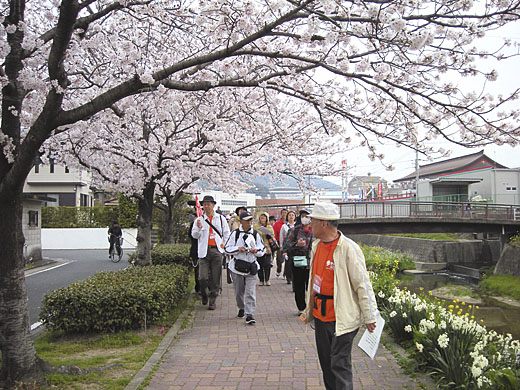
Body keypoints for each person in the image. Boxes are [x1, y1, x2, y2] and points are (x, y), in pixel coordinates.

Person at [301, 203, 378, 390]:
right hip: (321, 316)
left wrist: (370, 316)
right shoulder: (317, 245)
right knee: (327, 364)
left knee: (340, 364)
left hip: (342, 317)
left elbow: (363, 284)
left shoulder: (348, 248)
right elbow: (314, 281)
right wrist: (308, 309)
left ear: (324, 224)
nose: (310, 224)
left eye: (313, 221)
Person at [225, 210, 266, 325]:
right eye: (247, 220)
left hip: (251, 266)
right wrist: (238, 249)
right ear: (241, 221)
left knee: (250, 292)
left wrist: (255, 250)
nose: (249, 222)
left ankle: (250, 314)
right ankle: (241, 307)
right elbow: (227, 248)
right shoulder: (235, 233)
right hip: (237, 266)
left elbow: (262, 249)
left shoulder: (255, 234)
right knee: (239, 291)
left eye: (250, 220)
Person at [191, 195, 230, 310]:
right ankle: (204, 293)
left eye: (209, 204)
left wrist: (223, 246)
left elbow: (226, 233)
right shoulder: (199, 219)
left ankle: (213, 299)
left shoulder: (221, 218)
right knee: (202, 277)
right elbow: (194, 235)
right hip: (204, 251)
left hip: (216, 250)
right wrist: (198, 228)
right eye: (205, 204)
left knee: (215, 277)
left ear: (213, 205)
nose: (207, 206)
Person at [283, 209, 312, 314]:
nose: (305, 218)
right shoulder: (295, 230)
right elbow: (287, 244)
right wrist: (296, 245)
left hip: (312, 262)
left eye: (307, 216)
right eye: (303, 216)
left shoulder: (316, 230)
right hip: (299, 261)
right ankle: (301, 307)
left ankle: (311, 307)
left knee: (311, 285)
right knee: (299, 285)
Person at [254, 211, 275, 286]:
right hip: (259, 247)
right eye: (261, 217)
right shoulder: (256, 226)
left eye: (264, 217)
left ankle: (267, 279)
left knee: (267, 264)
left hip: (267, 247)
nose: (262, 218)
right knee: (259, 264)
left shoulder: (269, 227)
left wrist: (269, 236)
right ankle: (261, 279)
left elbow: (273, 236)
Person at [279, 210, 296, 282]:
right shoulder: (284, 226)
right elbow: (281, 236)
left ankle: (293, 276)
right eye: (289, 215)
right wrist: (281, 246)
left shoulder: (297, 226)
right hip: (287, 245)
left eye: (292, 215)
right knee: (288, 262)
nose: (291, 216)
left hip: (295, 246)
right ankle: (288, 277)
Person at [273, 208, 288, 277]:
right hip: (279, 242)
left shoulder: (289, 224)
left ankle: (285, 273)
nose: (284, 214)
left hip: (288, 243)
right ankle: (279, 270)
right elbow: (275, 233)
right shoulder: (277, 224)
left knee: (287, 259)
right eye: (283, 213)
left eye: (285, 213)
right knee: (279, 258)